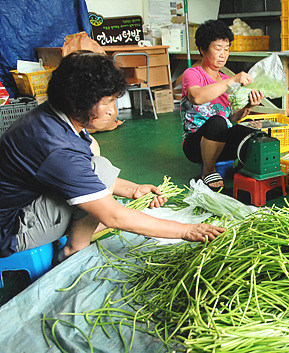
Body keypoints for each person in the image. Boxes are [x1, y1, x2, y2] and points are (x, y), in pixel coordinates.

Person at [0, 51, 225, 262]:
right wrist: (187, 230)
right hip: (12, 229)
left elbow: (82, 176)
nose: (111, 110)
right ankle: (74, 251)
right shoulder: (58, 148)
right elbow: (113, 216)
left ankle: (74, 236)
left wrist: (132, 189)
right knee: (100, 171)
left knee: (97, 165)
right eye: (107, 102)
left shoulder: (52, 115)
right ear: (79, 102)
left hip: (24, 201)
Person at [181, 19, 265, 191]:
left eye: (226, 49)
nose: (223, 54)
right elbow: (196, 97)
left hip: (221, 141)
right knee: (217, 122)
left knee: (253, 131)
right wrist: (233, 80)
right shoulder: (192, 74)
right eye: (218, 49)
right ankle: (208, 171)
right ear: (203, 50)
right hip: (195, 145)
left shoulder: (226, 81)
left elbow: (231, 117)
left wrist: (249, 106)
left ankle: (242, 168)